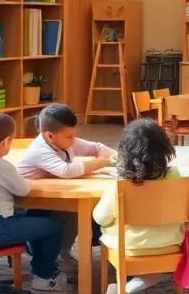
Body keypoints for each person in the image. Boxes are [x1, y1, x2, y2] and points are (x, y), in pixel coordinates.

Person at [0, 113, 67, 294]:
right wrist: (33, 178)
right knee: (55, 226)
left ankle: (34, 255)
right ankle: (44, 277)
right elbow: (23, 190)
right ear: (6, 142)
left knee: (36, 214)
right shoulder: (1, 165)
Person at [93, 118, 185, 294]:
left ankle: (122, 290)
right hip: (170, 243)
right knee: (154, 264)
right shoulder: (176, 177)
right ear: (166, 149)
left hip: (130, 246)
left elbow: (100, 218)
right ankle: (135, 288)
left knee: (110, 228)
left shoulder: (120, 185)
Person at [16, 103, 116, 271]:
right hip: (31, 200)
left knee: (74, 214)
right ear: (49, 136)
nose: (73, 141)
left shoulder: (66, 142)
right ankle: (45, 258)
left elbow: (97, 147)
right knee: (67, 218)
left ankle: (63, 252)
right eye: (69, 137)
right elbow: (67, 171)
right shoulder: (40, 149)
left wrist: (110, 154)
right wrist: (102, 161)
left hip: (53, 193)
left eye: (74, 135)